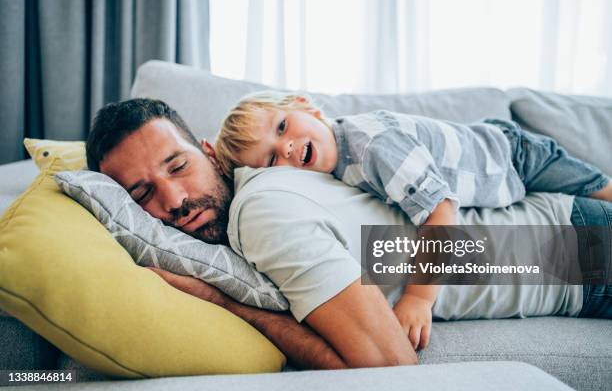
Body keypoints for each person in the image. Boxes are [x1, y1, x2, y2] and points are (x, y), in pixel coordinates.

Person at [86, 98, 612, 369]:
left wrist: (225, 303)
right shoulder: (271, 189)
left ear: (208, 153)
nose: (174, 202)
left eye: (177, 167)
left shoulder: (262, 211)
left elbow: (386, 366)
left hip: (578, 252)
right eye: (140, 196)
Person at [213, 91, 612, 348]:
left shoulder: (373, 148)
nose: (286, 147)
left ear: (307, 106)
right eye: (270, 160)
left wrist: (418, 297)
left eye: (282, 127)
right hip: (502, 167)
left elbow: (441, 212)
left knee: (599, 186)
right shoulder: (326, 173)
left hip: (515, 155)